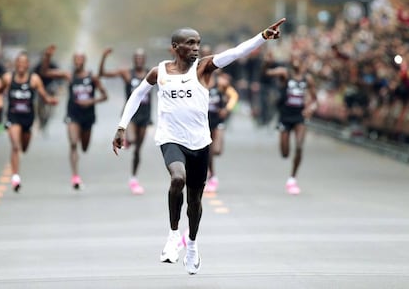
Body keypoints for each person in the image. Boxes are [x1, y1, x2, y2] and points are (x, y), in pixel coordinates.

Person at [112, 18, 286, 275]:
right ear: (175, 47)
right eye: (190, 43)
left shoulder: (204, 68)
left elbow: (235, 53)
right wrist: (121, 126)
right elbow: (137, 94)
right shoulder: (159, 72)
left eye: (198, 43)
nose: (196, 48)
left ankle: (191, 243)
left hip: (200, 142)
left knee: (195, 201)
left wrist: (262, 36)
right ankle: (173, 236)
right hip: (170, 138)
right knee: (177, 179)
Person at [42, 45, 108, 190]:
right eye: (75, 59)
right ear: (73, 61)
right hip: (73, 114)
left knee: (84, 147)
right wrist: (47, 57)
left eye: (80, 59)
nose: (78, 62)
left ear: (84, 61)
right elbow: (45, 72)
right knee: (73, 144)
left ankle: (78, 165)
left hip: (88, 116)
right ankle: (75, 177)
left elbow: (105, 96)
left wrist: (90, 101)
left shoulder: (92, 77)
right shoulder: (69, 75)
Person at [0, 52, 58, 192]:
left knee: (23, 147)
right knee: (15, 146)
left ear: (28, 65)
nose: (21, 65)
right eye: (19, 62)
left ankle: (17, 168)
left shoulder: (34, 79)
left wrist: (51, 101)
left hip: (28, 118)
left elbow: (44, 95)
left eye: (24, 63)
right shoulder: (8, 78)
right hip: (13, 116)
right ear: (15, 64)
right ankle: (15, 177)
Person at [99, 48, 151, 194]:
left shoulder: (151, 74)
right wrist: (103, 58)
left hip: (145, 115)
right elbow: (103, 74)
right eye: (137, 57)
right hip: (131, 115)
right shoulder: (127, 73)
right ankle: (127, 138)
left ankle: (133, 178)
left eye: (142, 58)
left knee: (138, 150)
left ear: (145, 59)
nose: (139, 60)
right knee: (133, 140)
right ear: (134, 60)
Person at [265, 55, 317, 195]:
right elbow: (266, 73)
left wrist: (310, 109)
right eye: (294, 61)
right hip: (285, 116)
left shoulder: (308, 79)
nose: (296, 63)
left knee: (299, 146)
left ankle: (292, 178)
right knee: (285, 153)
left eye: (299, 61)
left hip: (299, 116)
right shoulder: (284, 74)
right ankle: (289, 166)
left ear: (303, 65)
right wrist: (266, 63)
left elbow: (314, 99)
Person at [205, 70, 239, 192]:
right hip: (203, 121)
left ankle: (209, 171)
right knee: (207, 149)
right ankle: (212, 176)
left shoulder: (220, 83)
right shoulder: (198, 81)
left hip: (217, 120)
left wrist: (227, 109)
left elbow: (234, 96)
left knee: (217, 150)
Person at [32, 50, 61, 133]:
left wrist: (59, 87)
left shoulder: (53, 65)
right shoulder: (38, 66)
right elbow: (32, 76)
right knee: (39, 107)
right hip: (40, 89)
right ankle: (41, 120)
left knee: (50, 110)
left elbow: (60, 77)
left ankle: (47, 120)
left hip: (51, 89)